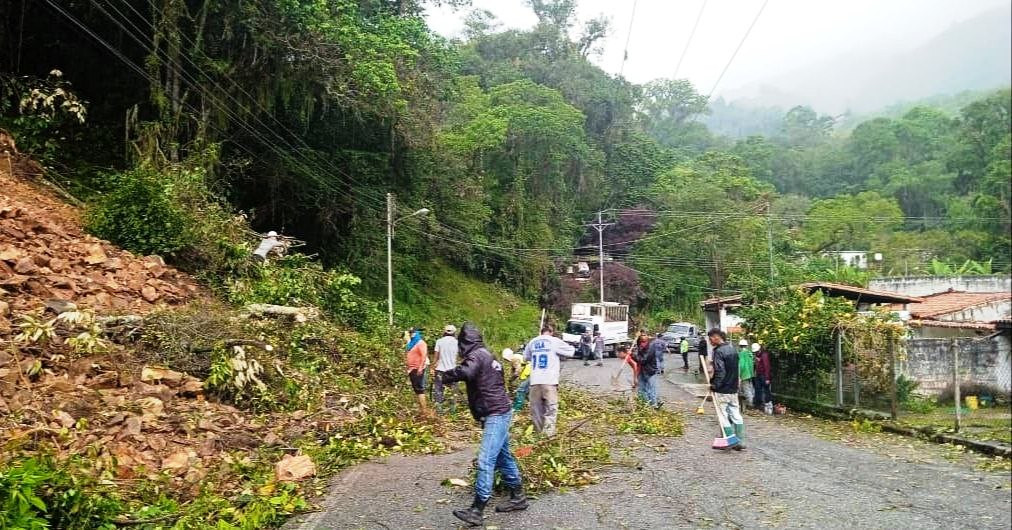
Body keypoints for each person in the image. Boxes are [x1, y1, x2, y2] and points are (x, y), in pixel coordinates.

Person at [440, 323, 528, 525]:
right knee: (503, 458)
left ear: (465, 342)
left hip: (495, 413)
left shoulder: (476, 356)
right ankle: (518, 497)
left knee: (485, 460)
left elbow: (466, 372)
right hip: (500, 410)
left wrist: (447, 375)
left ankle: (477, 510)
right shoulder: (488, 355)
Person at [523, 325, 576, 436]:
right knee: (551, 408)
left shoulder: (532, 342)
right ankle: (548, 435)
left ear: (541, 332)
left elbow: (525, 357)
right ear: (551, 332)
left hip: (535, 380)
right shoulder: (554, 341)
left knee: (536, 410)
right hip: (549, 380)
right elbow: (571, 351)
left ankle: (538, 434)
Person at [708, 329, 745, 450]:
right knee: (736, 414)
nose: (710, 341)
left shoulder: (718, 351)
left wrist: (714, 385)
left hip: (722, 389)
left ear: (716, 337)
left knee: (722, 415)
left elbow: (720, 371)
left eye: (710, 338)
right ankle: (739, 441)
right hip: (733, 388)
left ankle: (730, 440)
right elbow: (737, 369)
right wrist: (737, 383)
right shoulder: (733, 349)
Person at [432, 324, 460, 414]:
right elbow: (459, 356)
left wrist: (433, 367)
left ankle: (439, 410)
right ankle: (453, 410)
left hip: (440, 369)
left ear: (444, 332)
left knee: (439, 389)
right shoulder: (457, 343)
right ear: (454, 333)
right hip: (452, 370)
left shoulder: (439, 341)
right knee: (453, 390)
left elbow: (436, 356)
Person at [405, 327, 431, 417]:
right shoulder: (412, 343)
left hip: (417, 369)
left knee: (419, 389)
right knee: (416, 389)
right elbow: (408, 350)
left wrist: (420, 368)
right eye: (410, 332)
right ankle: (421, 410)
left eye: (413, 333)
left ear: (417, 333)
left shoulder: (421, 343)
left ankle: (424, 411)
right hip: (412, 369)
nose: (411, 334)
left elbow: (424, 355)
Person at [634, 334, 661, 407]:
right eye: (641, 342)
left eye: (644, 342)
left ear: (647, 342)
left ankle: (654, 405)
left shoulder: (651, 349)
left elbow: (643, 360)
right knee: (641, 389)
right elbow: (638, 363)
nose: (642, 344)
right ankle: (644, 404)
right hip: (642, 371)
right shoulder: (639, 348)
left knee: (651, 389)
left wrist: (633, 355)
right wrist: (636, 375)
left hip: (650, 371)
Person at [752, 343, 772, 414]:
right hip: (758, 375)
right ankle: (758, 405)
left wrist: (767, 378)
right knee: (758, 390)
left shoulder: (764, 355)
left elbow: (767, 367)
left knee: (766, 390)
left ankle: (768, 406)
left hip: (764, 375)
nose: (755, 352)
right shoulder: (757, 355)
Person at [738, 338, 755, 410]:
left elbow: (741, 365)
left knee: (745, 389)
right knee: (750, 387)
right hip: (750, 373)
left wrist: (739, 375)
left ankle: (750, 404)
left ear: (740, 346)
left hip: (744, 374)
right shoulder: (750, 353)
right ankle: (751, 401)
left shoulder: (741, 354)